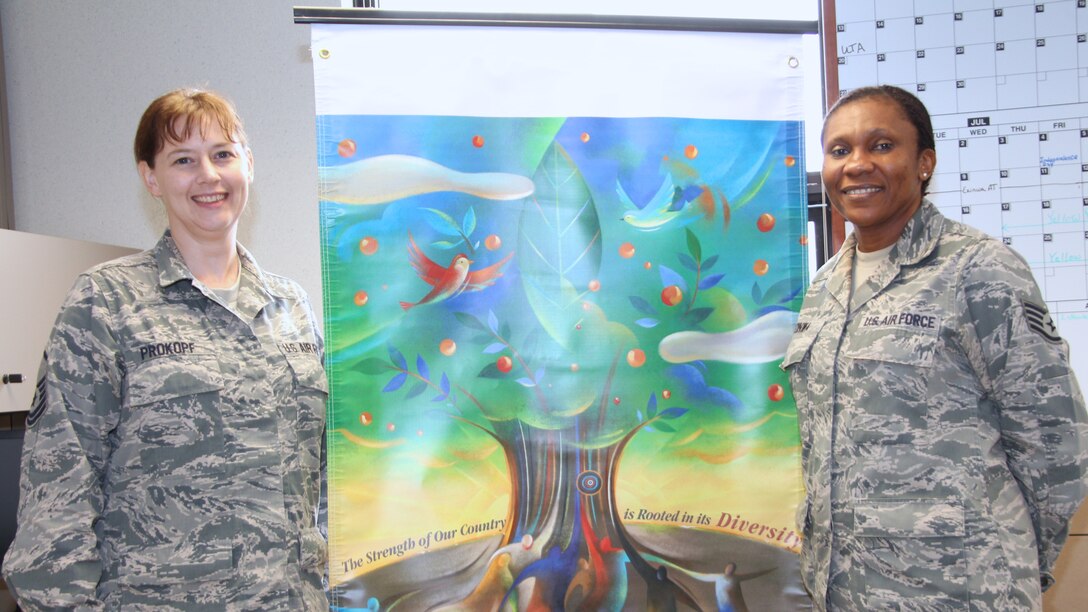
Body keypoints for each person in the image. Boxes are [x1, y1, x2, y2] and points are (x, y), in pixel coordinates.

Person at [1, 88, 329, 609]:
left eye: (223, 154)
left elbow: (322, 476)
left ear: (248, 163)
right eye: (183, 159)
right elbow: (57, 491)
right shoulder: (106, 302)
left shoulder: (289, 304)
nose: (209, 175)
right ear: (150, 177)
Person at [782, 84, 1088, 610]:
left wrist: (1005, 565)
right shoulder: (825, 286)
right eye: (840, 150)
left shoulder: (978, 270)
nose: (857, 164)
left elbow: (1057, 442)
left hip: (960, 592)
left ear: (924, 163)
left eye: (881, 146)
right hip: (844, 591)